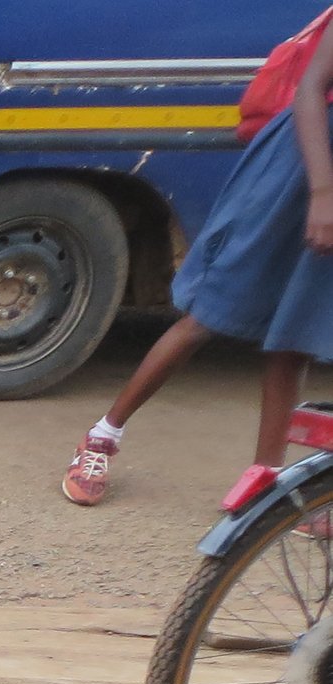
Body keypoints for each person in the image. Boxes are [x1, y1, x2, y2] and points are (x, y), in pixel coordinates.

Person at [63, 23, 333, 511]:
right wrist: (322, 192)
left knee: (292, 335)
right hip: (298, 173)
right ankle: (101, 438)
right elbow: (311, 89)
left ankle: (265, 486)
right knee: (209, 314)